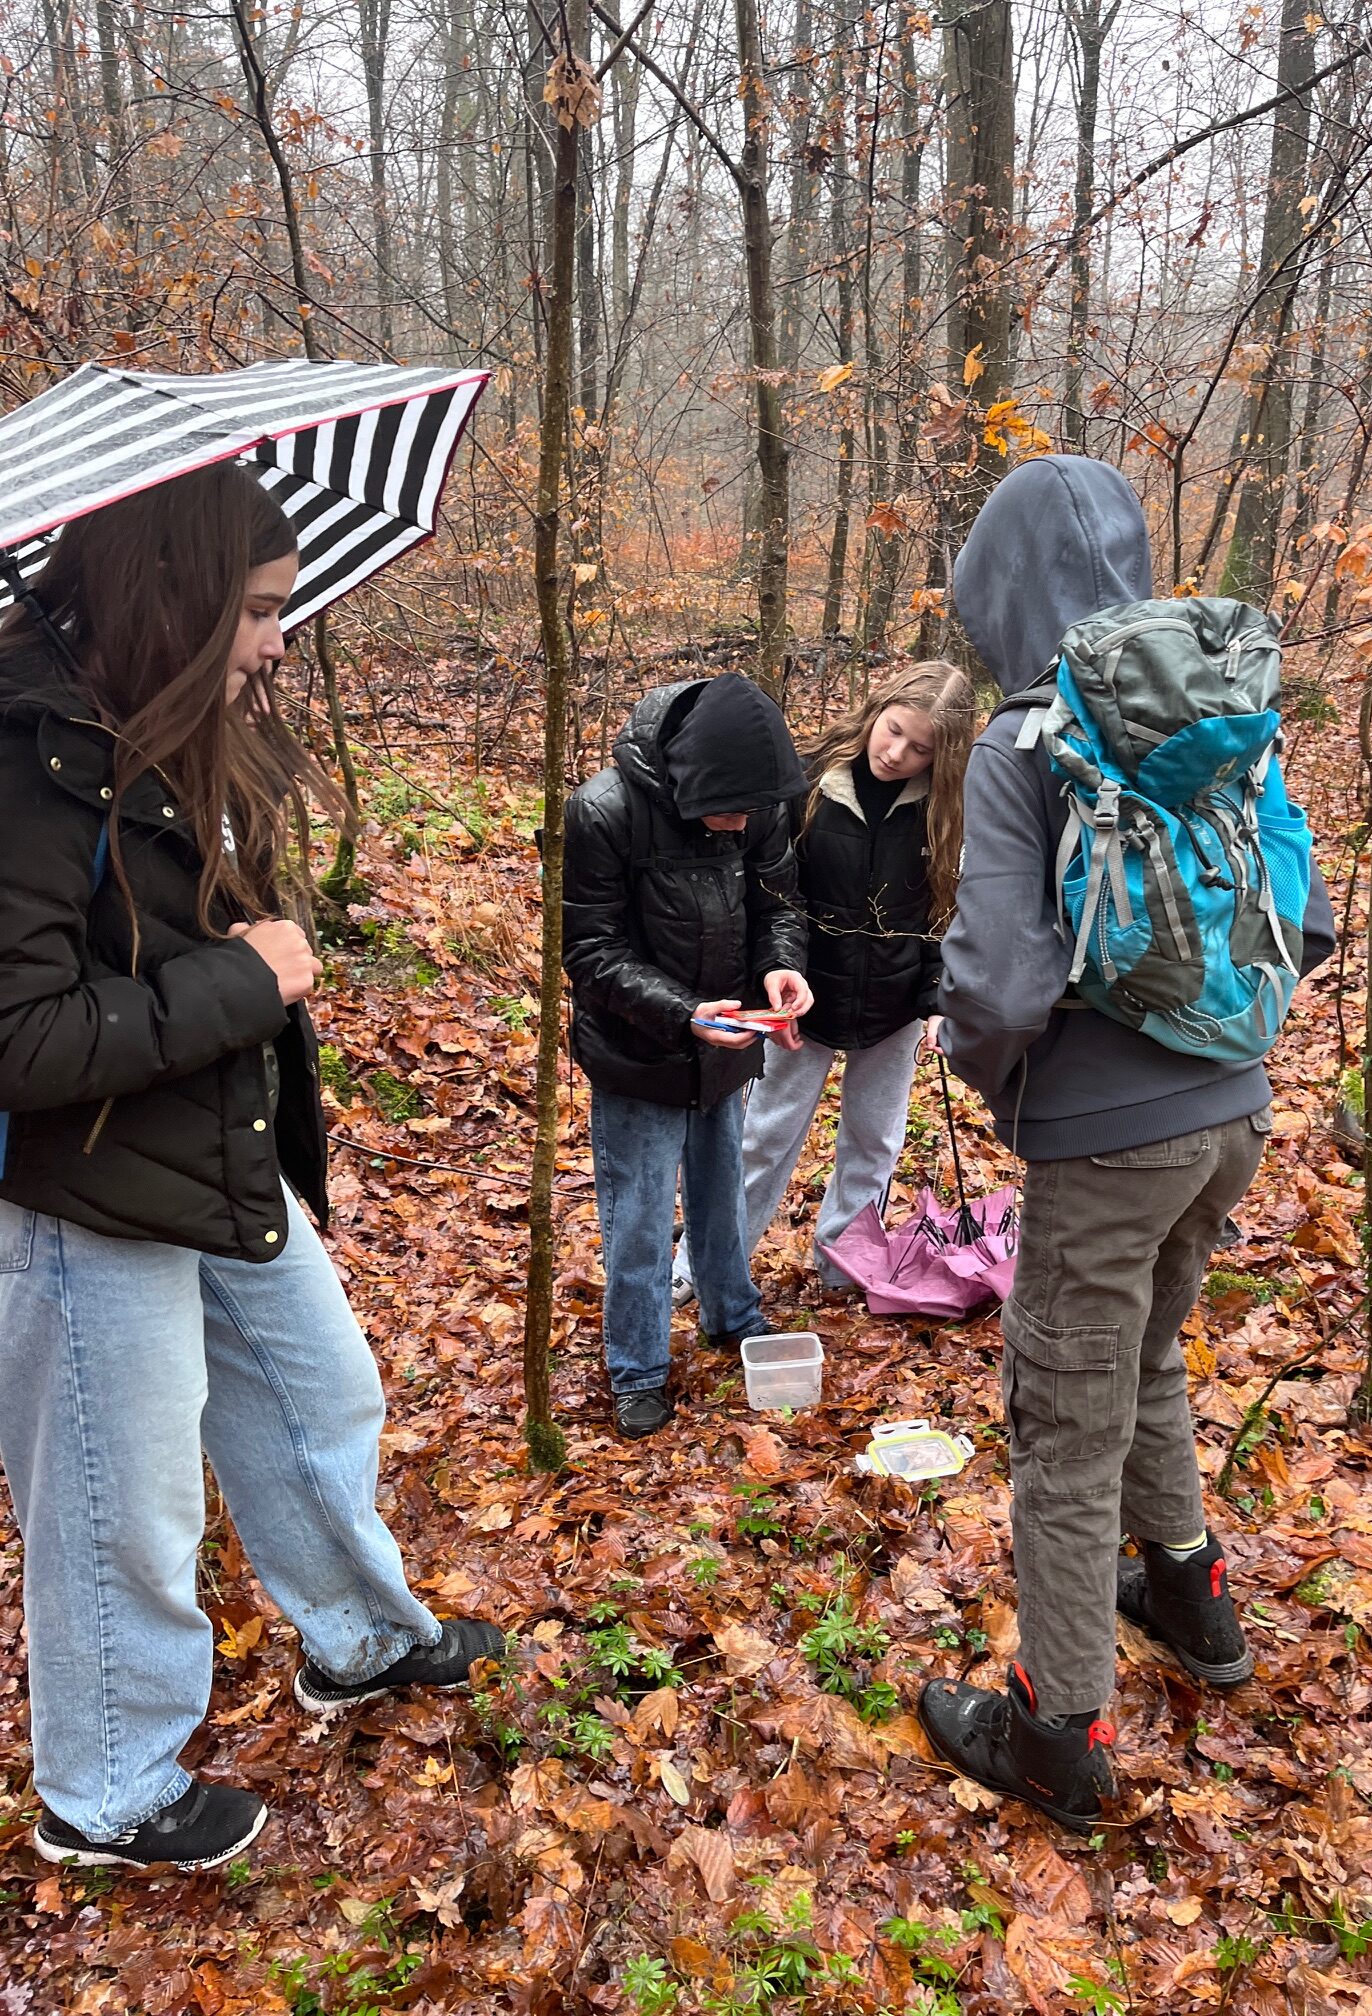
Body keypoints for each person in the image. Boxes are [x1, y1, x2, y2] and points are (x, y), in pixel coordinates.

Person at [0, 465, 503, 1875]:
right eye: (261, 610)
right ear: (173, 596)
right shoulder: (24, 756)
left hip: (204, 1147)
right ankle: (107, 1791)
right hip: (77, 1195)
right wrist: (243, 980)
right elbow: (20, 1040)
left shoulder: (156, 724)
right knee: (120, 1497)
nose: (280, 641)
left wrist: (231, 930)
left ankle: (358, 1640)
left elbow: (155, 936)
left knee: (319, 1391)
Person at [917, 457, 1336, 1832]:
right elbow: (1307, 916)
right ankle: (1191, 1596)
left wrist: (999, 1084)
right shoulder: (1222, 705)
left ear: (997, 585)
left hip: (1104, 1144)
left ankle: (1058, 1732)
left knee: (1062, 1428)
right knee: (1148, 1355)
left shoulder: (1023, 738)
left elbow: (998, 988)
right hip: (1234, 1116)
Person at [671, 661, 975, 1304]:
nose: (897, 753)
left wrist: (937, 1001)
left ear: (943, 757)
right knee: (766, 1134)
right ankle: (705, 1262)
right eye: (893, 730)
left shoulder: (947, 812)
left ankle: (846, 1262)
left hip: (895, 1006)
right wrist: (771, 975)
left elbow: (945, 916)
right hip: (800, 997)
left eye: (920, 748)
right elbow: (771, 895)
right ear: (876, 711)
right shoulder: (809, 783)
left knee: (874, 1140)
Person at [562, 673, 812, 1441]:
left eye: (753, 812)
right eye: (729, 810)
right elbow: (591, 950)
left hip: (728, 1041)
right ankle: (638, 1368)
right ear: (690, 782)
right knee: (639, 1217)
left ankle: (731, 1315)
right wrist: (681, 1014)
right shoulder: (604, 811)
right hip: (638, 1051)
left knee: (721, 1192)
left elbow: (779, 906)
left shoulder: (759, 807)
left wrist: (780, 966)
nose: (741, 825)